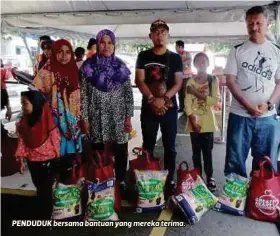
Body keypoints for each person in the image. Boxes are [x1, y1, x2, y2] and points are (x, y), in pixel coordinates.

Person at [223, 6, 280, 177]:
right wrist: (247, 105)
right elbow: (230, 80)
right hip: (240, 116)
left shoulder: (277, 50)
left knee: (266, 164)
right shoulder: (237, 49)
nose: (254, 27)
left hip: (268, 118)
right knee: (235, 162)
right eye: (250, 23)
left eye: (259, 23)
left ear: (268, 23)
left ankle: (260, 199)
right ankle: (235, 201)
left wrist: (268, 104)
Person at [80, 29, 133, 187]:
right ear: (97, 44)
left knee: (121, 149)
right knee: (99, 150)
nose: (106, 46)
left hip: (118, 115)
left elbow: (128, 94)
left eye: (110, 43)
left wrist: (128, 117)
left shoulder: (120, 66)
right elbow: (83, 95)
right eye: (102, 42)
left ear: (114, 45)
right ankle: (102, 178)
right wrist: (85, 119)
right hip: (97, 115)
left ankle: (121, 179)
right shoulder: (88, 67)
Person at [135, 19, 183, 194]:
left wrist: (163, 99)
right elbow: (139, 80)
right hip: (149, 108)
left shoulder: (175, 58)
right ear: (150, 36)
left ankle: (170, 179)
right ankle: (147, 179)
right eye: (156, 32)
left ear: (168, 35)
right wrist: (152, 99)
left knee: (170, 146)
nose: (159, 35)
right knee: (148, 145)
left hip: (169, 108)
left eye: (163, 32)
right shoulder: (143, 56)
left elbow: (178, 83)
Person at [33, 39, 82, 182]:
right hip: (54, 122)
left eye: (67, 52)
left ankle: (68, 188)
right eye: (59, 52)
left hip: (74, 120)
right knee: (57, 157)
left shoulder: (75, 70)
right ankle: (58, 188)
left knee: (70, 159)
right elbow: (35, 93)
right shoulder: (47, 71)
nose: (64, 56)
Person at [15, 90, 61, 219]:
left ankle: (45, 217)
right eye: (21, 104)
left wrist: (58, 159)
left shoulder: (47, 121)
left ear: (35, 103)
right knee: (39, 188)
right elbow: (21, 142)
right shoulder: (23, 123)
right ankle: (44, 212)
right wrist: (22, 161)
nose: (22, 107)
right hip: (33, 163)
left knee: (45, 191)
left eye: (25, 104)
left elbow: (55, 140)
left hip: (48, 163)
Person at [185, 52, 219, 192]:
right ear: (194, 64)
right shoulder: (190, 82)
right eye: (198, 61)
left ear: (208, 63)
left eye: (204, 61)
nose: (201, 63)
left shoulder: (213, 80)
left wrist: (197, 93)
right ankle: (198, 177)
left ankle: (210, 176)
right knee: (195, 152)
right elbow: (187, 104)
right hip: (194, 123)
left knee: (207, 152)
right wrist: (192, 120)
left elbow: (214, 101)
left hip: (208, 123)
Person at [176, 40, 193, 112]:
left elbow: (189, 60)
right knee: (180, 92)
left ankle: (188, 108)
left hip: (187, 76)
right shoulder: (176, 55)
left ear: (181, 47)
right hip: (179, 77)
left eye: (176, 47)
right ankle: (181, 107)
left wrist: (180, 62)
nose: (176, 48)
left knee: (186, 92)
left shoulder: (187, 53)